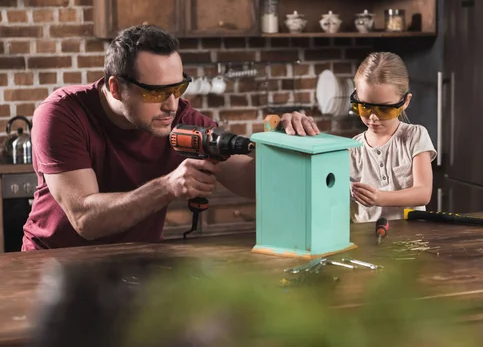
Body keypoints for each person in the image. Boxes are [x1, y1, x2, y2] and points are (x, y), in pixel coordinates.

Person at [22, 24, 320, 251]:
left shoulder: (182, 121)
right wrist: (168, 186)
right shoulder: (62, 114)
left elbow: (248, 179)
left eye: (178, 89)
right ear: (115, 88)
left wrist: (285, 146)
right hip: (54, 262)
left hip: (135, 261)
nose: (171, 104)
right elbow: (85, 219)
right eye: (155, 92)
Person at [349, 52, 437, 223]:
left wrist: (379, 198)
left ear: (405, 102)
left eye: (384, 109)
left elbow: (423, 193)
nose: (373, 117)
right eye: (365, 107)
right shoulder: (352, 148)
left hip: (410, 241)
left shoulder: (415, 136)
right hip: (366, 243)